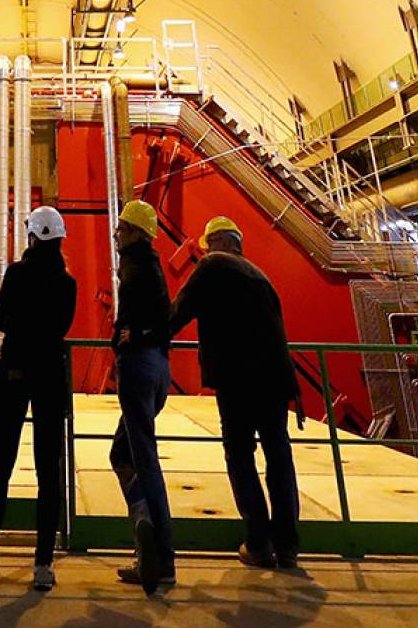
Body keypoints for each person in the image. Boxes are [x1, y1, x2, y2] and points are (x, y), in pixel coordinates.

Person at [169, 215, 303, 570]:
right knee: (278, 456)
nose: (205, 252)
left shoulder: (213, 265)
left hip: (238, 381)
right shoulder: (261, 277)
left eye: (208, 245)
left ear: (221, 244)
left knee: (240, 454)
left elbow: (180, 311)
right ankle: (287, 546)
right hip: (275, 381)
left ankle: (258, 543)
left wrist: (145, 337)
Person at [0, 205, 77, 592]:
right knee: (49, 471)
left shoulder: (16, 274)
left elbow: (3, 321)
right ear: (60, 239)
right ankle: (43, 565)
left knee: (2, 465)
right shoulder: (69, 284)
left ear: (31, 237)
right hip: (50, 377)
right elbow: (63, 327)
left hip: (15, 374)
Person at [109, 198, 175, 595]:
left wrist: (127, 336)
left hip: (139, 367)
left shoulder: (133, 265)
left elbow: (136, 311)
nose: (116, 233)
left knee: (145, 461)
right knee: (122, 455)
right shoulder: (152, 265)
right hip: (159, 369)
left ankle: (160, 557)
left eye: (121, 228)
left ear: (135, 232)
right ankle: (143, 528)